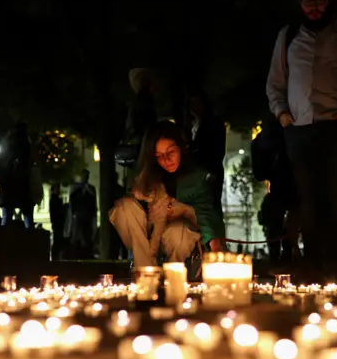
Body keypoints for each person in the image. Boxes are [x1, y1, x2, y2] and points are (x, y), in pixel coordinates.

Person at [266, 0, 337, 278]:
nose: (314, 7)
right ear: (299, 2)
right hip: (299, 128)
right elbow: (275, 81)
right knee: (306, 198)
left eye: (320, 0)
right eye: (308, 1)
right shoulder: (288, 35)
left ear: (330, 0)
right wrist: (282, 114)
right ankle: (312, 263)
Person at [110, 120, 225, 268]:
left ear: (181, 148)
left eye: (171, 152)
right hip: (151, 242)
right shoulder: (147, 178)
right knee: (124, 207)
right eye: (159, 155)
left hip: (183, 241)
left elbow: (205, 212)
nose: (166, 160)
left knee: (178, 232)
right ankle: (145, 272)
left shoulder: (197, 177)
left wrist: (215, 245)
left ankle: (174, 276)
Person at [187, 90, 226, 216]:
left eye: (196, 102)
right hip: (199, 172)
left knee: (210, 207)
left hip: (208, 171)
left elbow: (217, 150)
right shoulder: (196, 124)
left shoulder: (213, 123)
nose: (193, 106)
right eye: (192, 102)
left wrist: (211, 172)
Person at [0, 121, 36, 229]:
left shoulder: (7, 145)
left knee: (6, 218)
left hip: (8, 187)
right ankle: (30, 240)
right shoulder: (27, 145)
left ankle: (5, 241)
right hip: (24, 187)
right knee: (28, 217)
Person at [69, 170, 97, 259]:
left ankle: (85, 255)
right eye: (84, 176)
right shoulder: (76, 189)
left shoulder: (91, 189)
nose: (85, 178)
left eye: (87, 176)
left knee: (86, 238)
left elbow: (93, 202)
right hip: (78, 216)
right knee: (77, 238)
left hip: (87, 217)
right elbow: (72, 200)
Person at [49, 183, 67, 260]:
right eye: (57, 189)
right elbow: (56, 213)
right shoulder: (54, 200)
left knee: (57, 242)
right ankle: (55, 258)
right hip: (57, 224)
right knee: (57, 242)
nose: (59, 190)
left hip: (57, 223)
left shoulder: (55, 199)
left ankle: (55, 257)